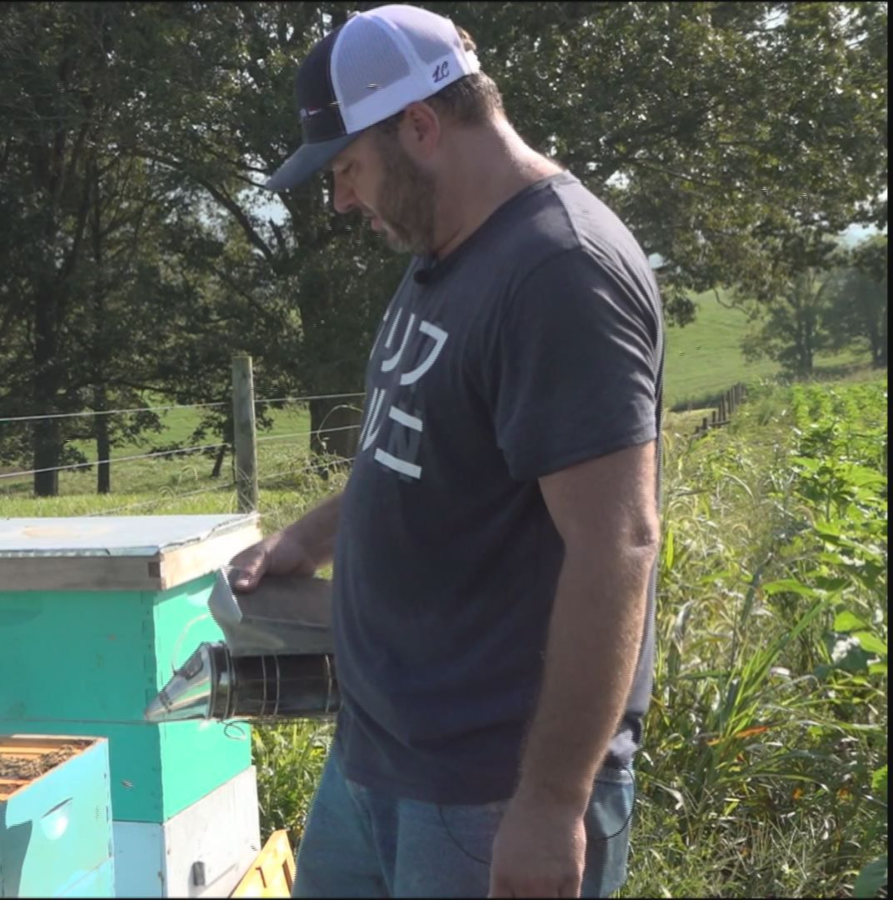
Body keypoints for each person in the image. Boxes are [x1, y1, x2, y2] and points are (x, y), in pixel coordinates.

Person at [232, 5, 664, 898]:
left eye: (348, 169)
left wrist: (549, 806)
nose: (344, 200)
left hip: (488, 795)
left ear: (421, 127)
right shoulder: (448, 251)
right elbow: (421, 451)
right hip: (378, 758)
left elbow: (616, 545)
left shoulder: (560, 272)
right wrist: (310, 539)